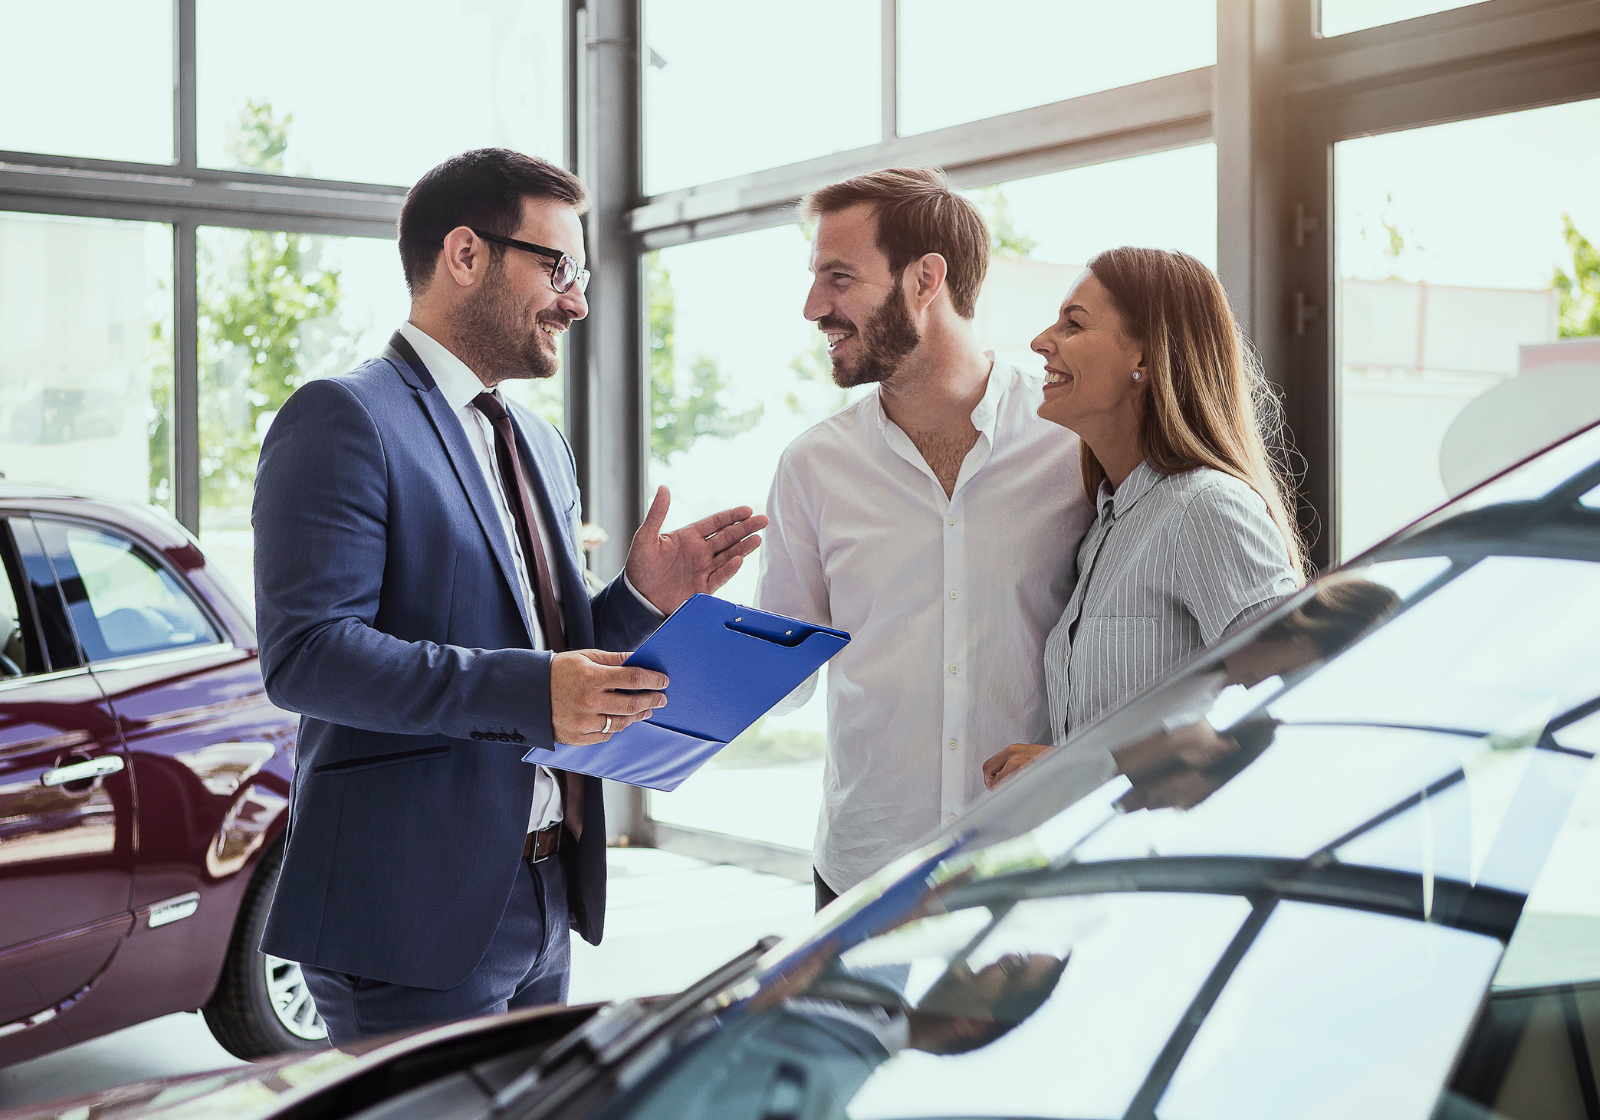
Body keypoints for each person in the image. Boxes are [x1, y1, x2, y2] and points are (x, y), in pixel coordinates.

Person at [253, 149, 766, 1045]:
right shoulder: (343, 418)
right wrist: (535, 691)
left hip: (542, 890)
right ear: (465, 254)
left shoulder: (537, 441)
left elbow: (548, 649)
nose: (575, 300)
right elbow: (308, 655)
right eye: (556, 267)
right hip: (409, 910)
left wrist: (642, 599)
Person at [754, 168, 1093, 911]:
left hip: (1031, 862)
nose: (815, 308)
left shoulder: (1071, 444)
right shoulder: (814, 466)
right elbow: (779, 680)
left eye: (838, 278)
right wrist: (672, 617)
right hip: (863, 873)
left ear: (925, 278)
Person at [984, 247, 1304, 792]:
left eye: (1073, 323)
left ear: (1148, 359)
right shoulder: (1107, 522)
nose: (1042, 341)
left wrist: (1078, 766)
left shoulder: (1206, 509)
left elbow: (1289, 700)